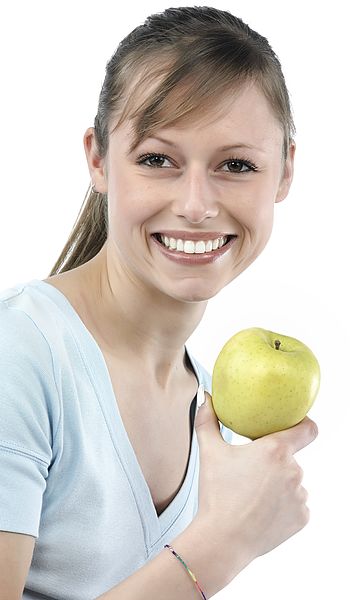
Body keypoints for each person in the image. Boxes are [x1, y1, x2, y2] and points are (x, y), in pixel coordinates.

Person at [0, 6, 318, 599]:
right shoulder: (19, 356)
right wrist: (224, 542)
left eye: (236, 165)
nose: (196, 205)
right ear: (98, 159)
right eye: (156, 159)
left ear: (284, 171)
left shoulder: (207, 404)